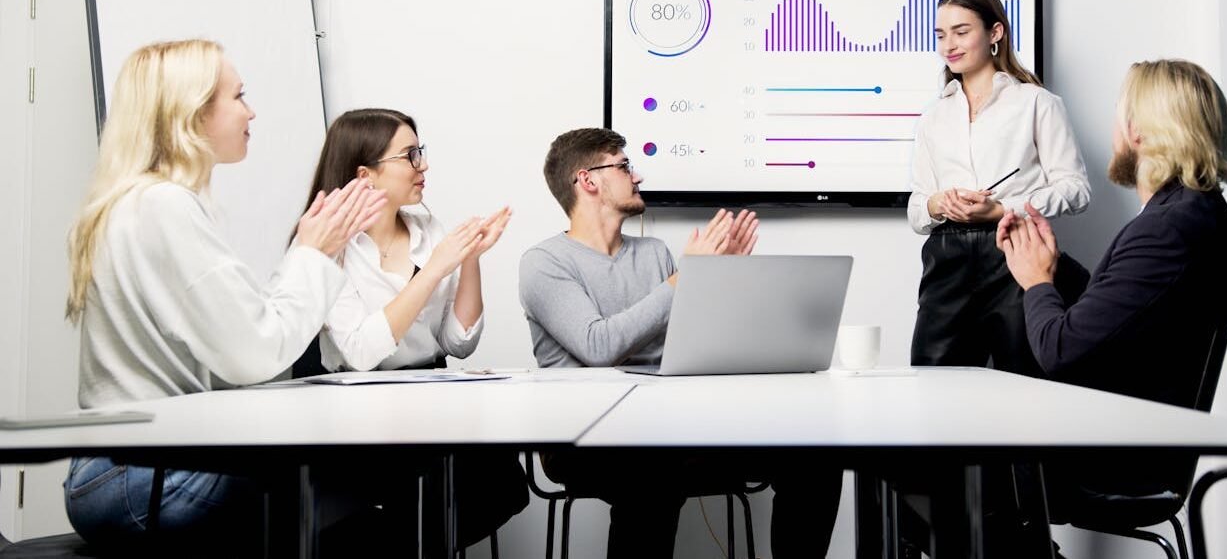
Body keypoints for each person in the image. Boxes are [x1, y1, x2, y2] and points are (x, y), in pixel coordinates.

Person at [62, 40, 386, 553]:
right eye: (238, 96)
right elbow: (254, 355)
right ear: (192, 113)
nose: (250, 110)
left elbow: (240, 341)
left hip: (113, 476)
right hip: (140, 482)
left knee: (357, 484)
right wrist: (314, 252)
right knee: (374, 478)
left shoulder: (138, 202)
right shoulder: (164, 206)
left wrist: (312, 253)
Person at [519, 128, 841, 558]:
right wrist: (684, 278)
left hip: (671, 428)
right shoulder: (543, 263)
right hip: (584, 439)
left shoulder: (653, 253)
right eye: (624, 165)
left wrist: (720, 281)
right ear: (588, 180)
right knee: (652, 472)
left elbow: (692, 349)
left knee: (814, 454)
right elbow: (598, 347)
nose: (638, 176)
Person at [997, 58, 1227, 513]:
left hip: (1114, 459)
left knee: (941, 460)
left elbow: (1059, 350)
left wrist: (1035, 283)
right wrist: (1053, 266)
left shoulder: (1168, 229)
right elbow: (1121, 314)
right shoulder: (1195, 215)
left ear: (1139, 130)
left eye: (1118, 113)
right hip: (1136, 440)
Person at [298, 107, 528, 548]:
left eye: (420, 152)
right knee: (416, 488)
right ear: (365, 176)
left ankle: (409, 545)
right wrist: (434, 270)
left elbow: (457, 343)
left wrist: (469, 260)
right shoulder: (325, 242)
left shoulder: (426, 226)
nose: (423, 166)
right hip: (358, 413)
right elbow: (362, 353)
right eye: (410, 156)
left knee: (500, 475)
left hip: (429, 394)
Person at [908, 0, 1091, 376]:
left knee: (1027, 383)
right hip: (947, 259)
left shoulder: (1037, 103)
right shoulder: (932, 117)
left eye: (961, 32)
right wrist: (939, 204)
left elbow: (1076, 190)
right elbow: (917, 208)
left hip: (1015, 252)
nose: (948, 45)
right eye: (941, 35)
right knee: (930, 384)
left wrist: (1002, 209)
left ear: (995, 33)